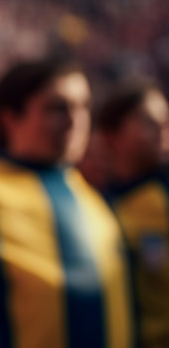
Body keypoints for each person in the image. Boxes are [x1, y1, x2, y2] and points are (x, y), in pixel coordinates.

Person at [0, 57, 135, 348]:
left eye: (84, 106)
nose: (77, 120)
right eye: (58, 108)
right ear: (9, 118)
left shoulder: (89, 194)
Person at [96, 77, 169, 348]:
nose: (162, 129)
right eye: (148, 122)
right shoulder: (95, 204)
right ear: (111, 134)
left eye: (165, 120)